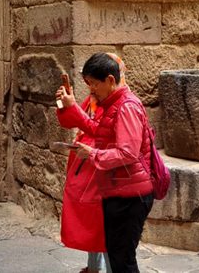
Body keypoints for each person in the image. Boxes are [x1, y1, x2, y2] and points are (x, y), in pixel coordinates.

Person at [56, 52, 154, 272]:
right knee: (118, 255)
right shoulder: (112, 103)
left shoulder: (126, 106)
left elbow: (128, 153)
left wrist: (92, 154)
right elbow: (97, 130)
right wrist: (68, 106)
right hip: (118, 189)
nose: (91, 90)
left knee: (122, 259)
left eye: (93, 84)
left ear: (110, 80)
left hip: (129, 194)